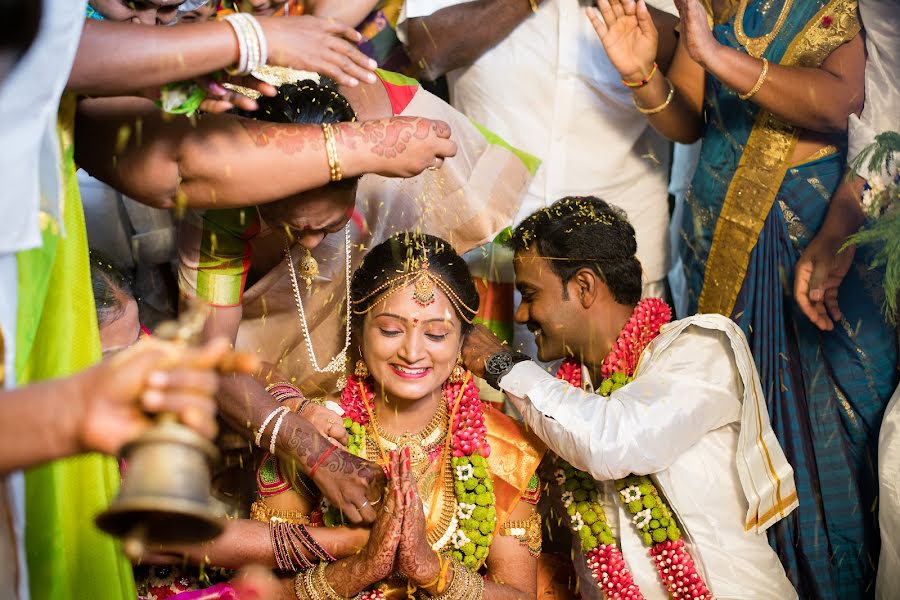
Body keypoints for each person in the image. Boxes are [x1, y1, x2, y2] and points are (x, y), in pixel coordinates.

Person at [589, 1, 899, 596]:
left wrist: (718, 57)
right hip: (719, 239)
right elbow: (693, 119)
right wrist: (641, 74)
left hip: (816, 231)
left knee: (842, 441)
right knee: (739, 438)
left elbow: (848, 103)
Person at [173, 70, 532, 526]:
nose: (308, 245)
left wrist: (510, 379)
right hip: (274, 398)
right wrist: (309, 442)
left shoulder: (402, 129)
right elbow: (210, 358)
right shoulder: (223, 195)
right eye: (291, 225)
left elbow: (452, 286)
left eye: (326, 224)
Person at [462, 196, 798, 599]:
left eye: (530, 294)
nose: (520, 315)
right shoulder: (562, 397)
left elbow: (612, 441)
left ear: (584, 286)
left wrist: (503, 366)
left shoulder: (700, 350)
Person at [255, 232, 545, 599]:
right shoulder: (315, 432)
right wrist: (359, 569)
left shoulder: (504, 449)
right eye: (391, 330)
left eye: (436, 334)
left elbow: (520, 595)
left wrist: (432, 571)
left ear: (462, 344)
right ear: (359, 333)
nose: (411, 351)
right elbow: (260, 590)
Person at [399, 0, 681, 302]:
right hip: (486, 245)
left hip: (620, 250)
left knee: (628, 350)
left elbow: (688, 53)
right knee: (481, 348)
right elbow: (427, 50)